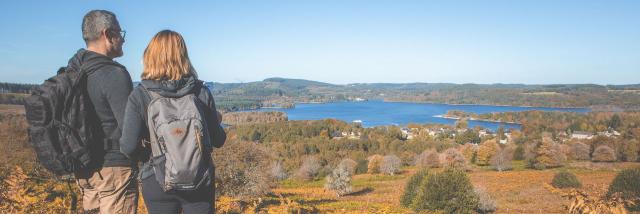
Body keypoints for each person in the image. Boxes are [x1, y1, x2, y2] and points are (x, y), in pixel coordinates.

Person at [120, 30, 226, 213]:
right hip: (199, 179)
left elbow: (128, 147)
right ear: (183, 56)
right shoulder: (200, 92)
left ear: (149, 56)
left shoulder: (140, 95)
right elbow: (218, 140)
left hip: (156, 179)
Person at [69, 10, 138, 213]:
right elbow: (129, 130)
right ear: (107, 34)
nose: (123, 40)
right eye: (120, 33)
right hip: (114, 170)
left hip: (84, 169)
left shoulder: (74, 70)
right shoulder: (114, 74)